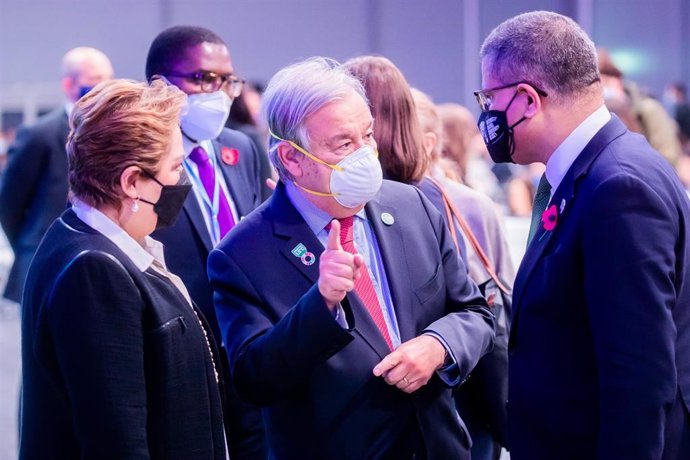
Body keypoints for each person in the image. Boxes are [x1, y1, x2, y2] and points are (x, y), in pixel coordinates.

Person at [208, 56, 495, 460]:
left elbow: (476, 313)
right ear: (292, 158)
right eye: (344, 144)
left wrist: (439, 344)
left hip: (438, 446)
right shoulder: (242, 253)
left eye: (367, 136)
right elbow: (255, 381)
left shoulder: (413, 203)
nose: (365, 155)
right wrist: (321, 303)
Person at [477, 11, 690, 459]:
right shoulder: (585, 173)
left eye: (489, 98)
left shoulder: (618, 187)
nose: (488, 113)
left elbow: (638, 376)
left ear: (527, 99)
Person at [19, 79, 226, 459]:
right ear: (132, 182)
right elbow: (116, 440)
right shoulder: (95, 271)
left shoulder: (83, 235)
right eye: (176, 167)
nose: (182, 181)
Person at [144, 25, 269, 460]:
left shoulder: (242, 148)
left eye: (226, 80)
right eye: (201, 78)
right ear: (160, 84)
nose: (217, 92)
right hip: (182, 343)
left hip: (250, 339)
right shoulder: (141, 161)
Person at [0, 46, 113, 304]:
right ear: (69, 85)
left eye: (109, 79)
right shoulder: (40, 135)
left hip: (96, 254)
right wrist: (30, 243)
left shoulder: (112, 132)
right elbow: (9, 202)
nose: (104, 87)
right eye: (95, 80)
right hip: (44, 255)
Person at [598, 47, 682, 166]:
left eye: (607, 80)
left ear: (617, 79)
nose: (604, 87)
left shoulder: (648, 109)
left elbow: (668, 157)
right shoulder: (598, 115)